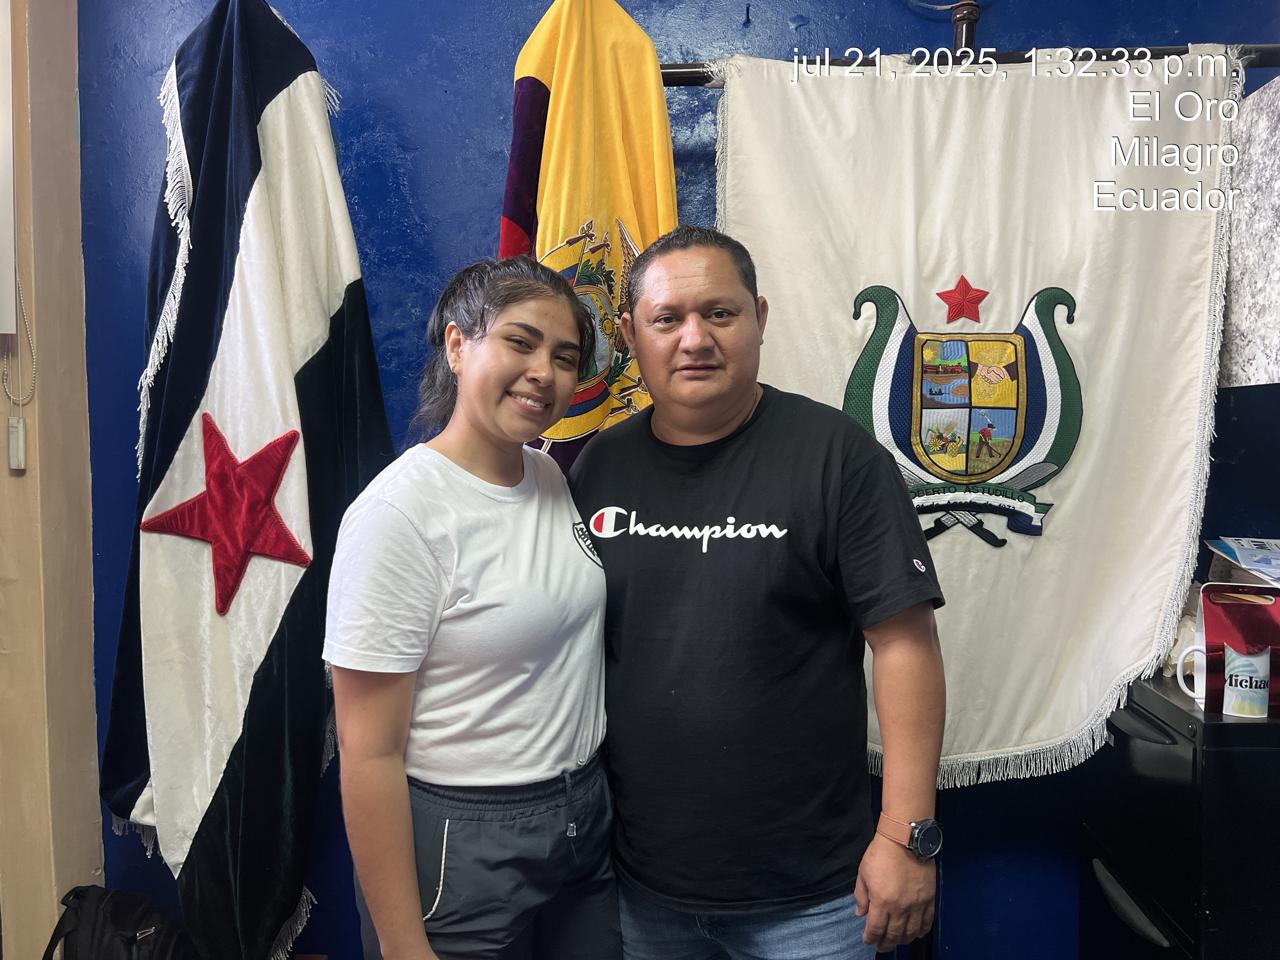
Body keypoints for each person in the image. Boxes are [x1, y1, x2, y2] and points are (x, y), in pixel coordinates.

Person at [570, 226, 948, 960]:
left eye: (720, 313)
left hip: (817, 899)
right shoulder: (599, 467)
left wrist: (907, 836)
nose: (695, 339)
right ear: (630, 336)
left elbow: (905, 645)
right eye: (667, 319)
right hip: (642, 887)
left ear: (760, 318)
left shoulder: (838, 457)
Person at [324, 257, 621, 960]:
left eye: (565, 357)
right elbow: (368, 752)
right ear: (458, 346)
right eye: (520, 342)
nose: (543, 372)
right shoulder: (399, 516)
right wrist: (403, 945)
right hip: (464, 840)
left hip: (582, 823)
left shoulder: (547, 474)